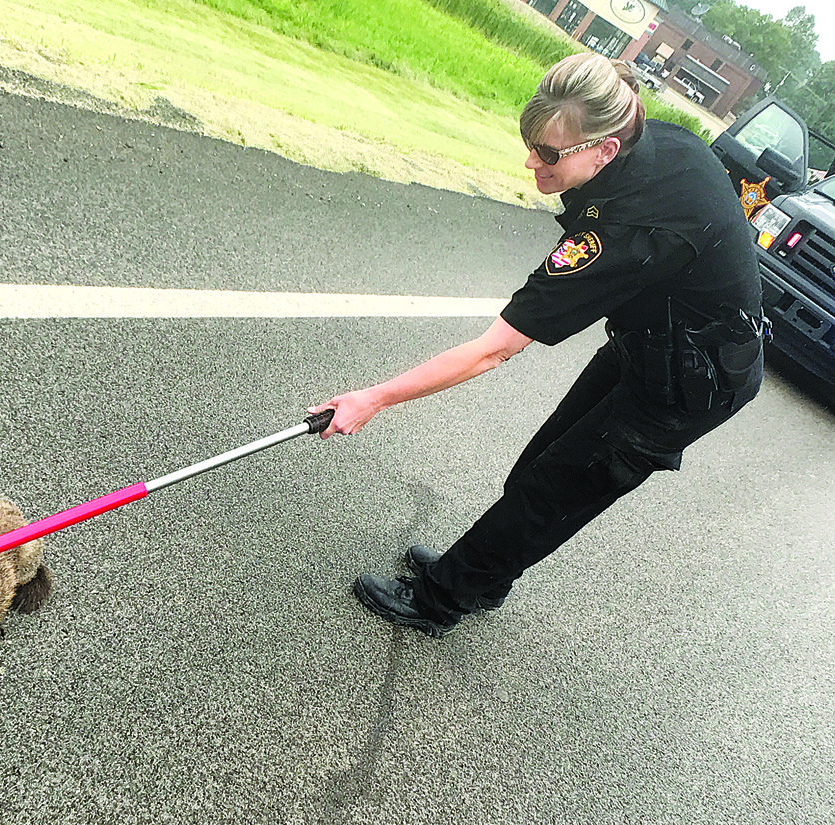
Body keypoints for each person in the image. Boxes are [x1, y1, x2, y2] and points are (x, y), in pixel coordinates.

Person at [309, 53, 768, 637]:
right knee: (541, 462)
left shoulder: (626, 231)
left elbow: (493, 349)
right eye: (531, 143)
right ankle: (483, 571)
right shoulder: (652, 139)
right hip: (651, 343)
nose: (531, 162)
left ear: (603, 149)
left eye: (549, 154)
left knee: (555, 489)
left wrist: (372, 398)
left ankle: (441, 599)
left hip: (691, 384)